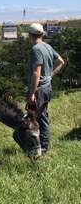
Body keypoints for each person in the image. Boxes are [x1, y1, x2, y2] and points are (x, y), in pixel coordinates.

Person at [27, 23, 65, 154]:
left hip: (39, 90)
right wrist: (50, 75)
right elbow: (61, 61)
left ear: (30, 35)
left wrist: (32, 93)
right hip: (47, 87)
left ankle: (43, 147)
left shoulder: (36, 49)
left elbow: (36, 72)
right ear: (42, 34)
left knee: (40, 118)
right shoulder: (47, 46)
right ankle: (40, 145)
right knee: (41, 115)